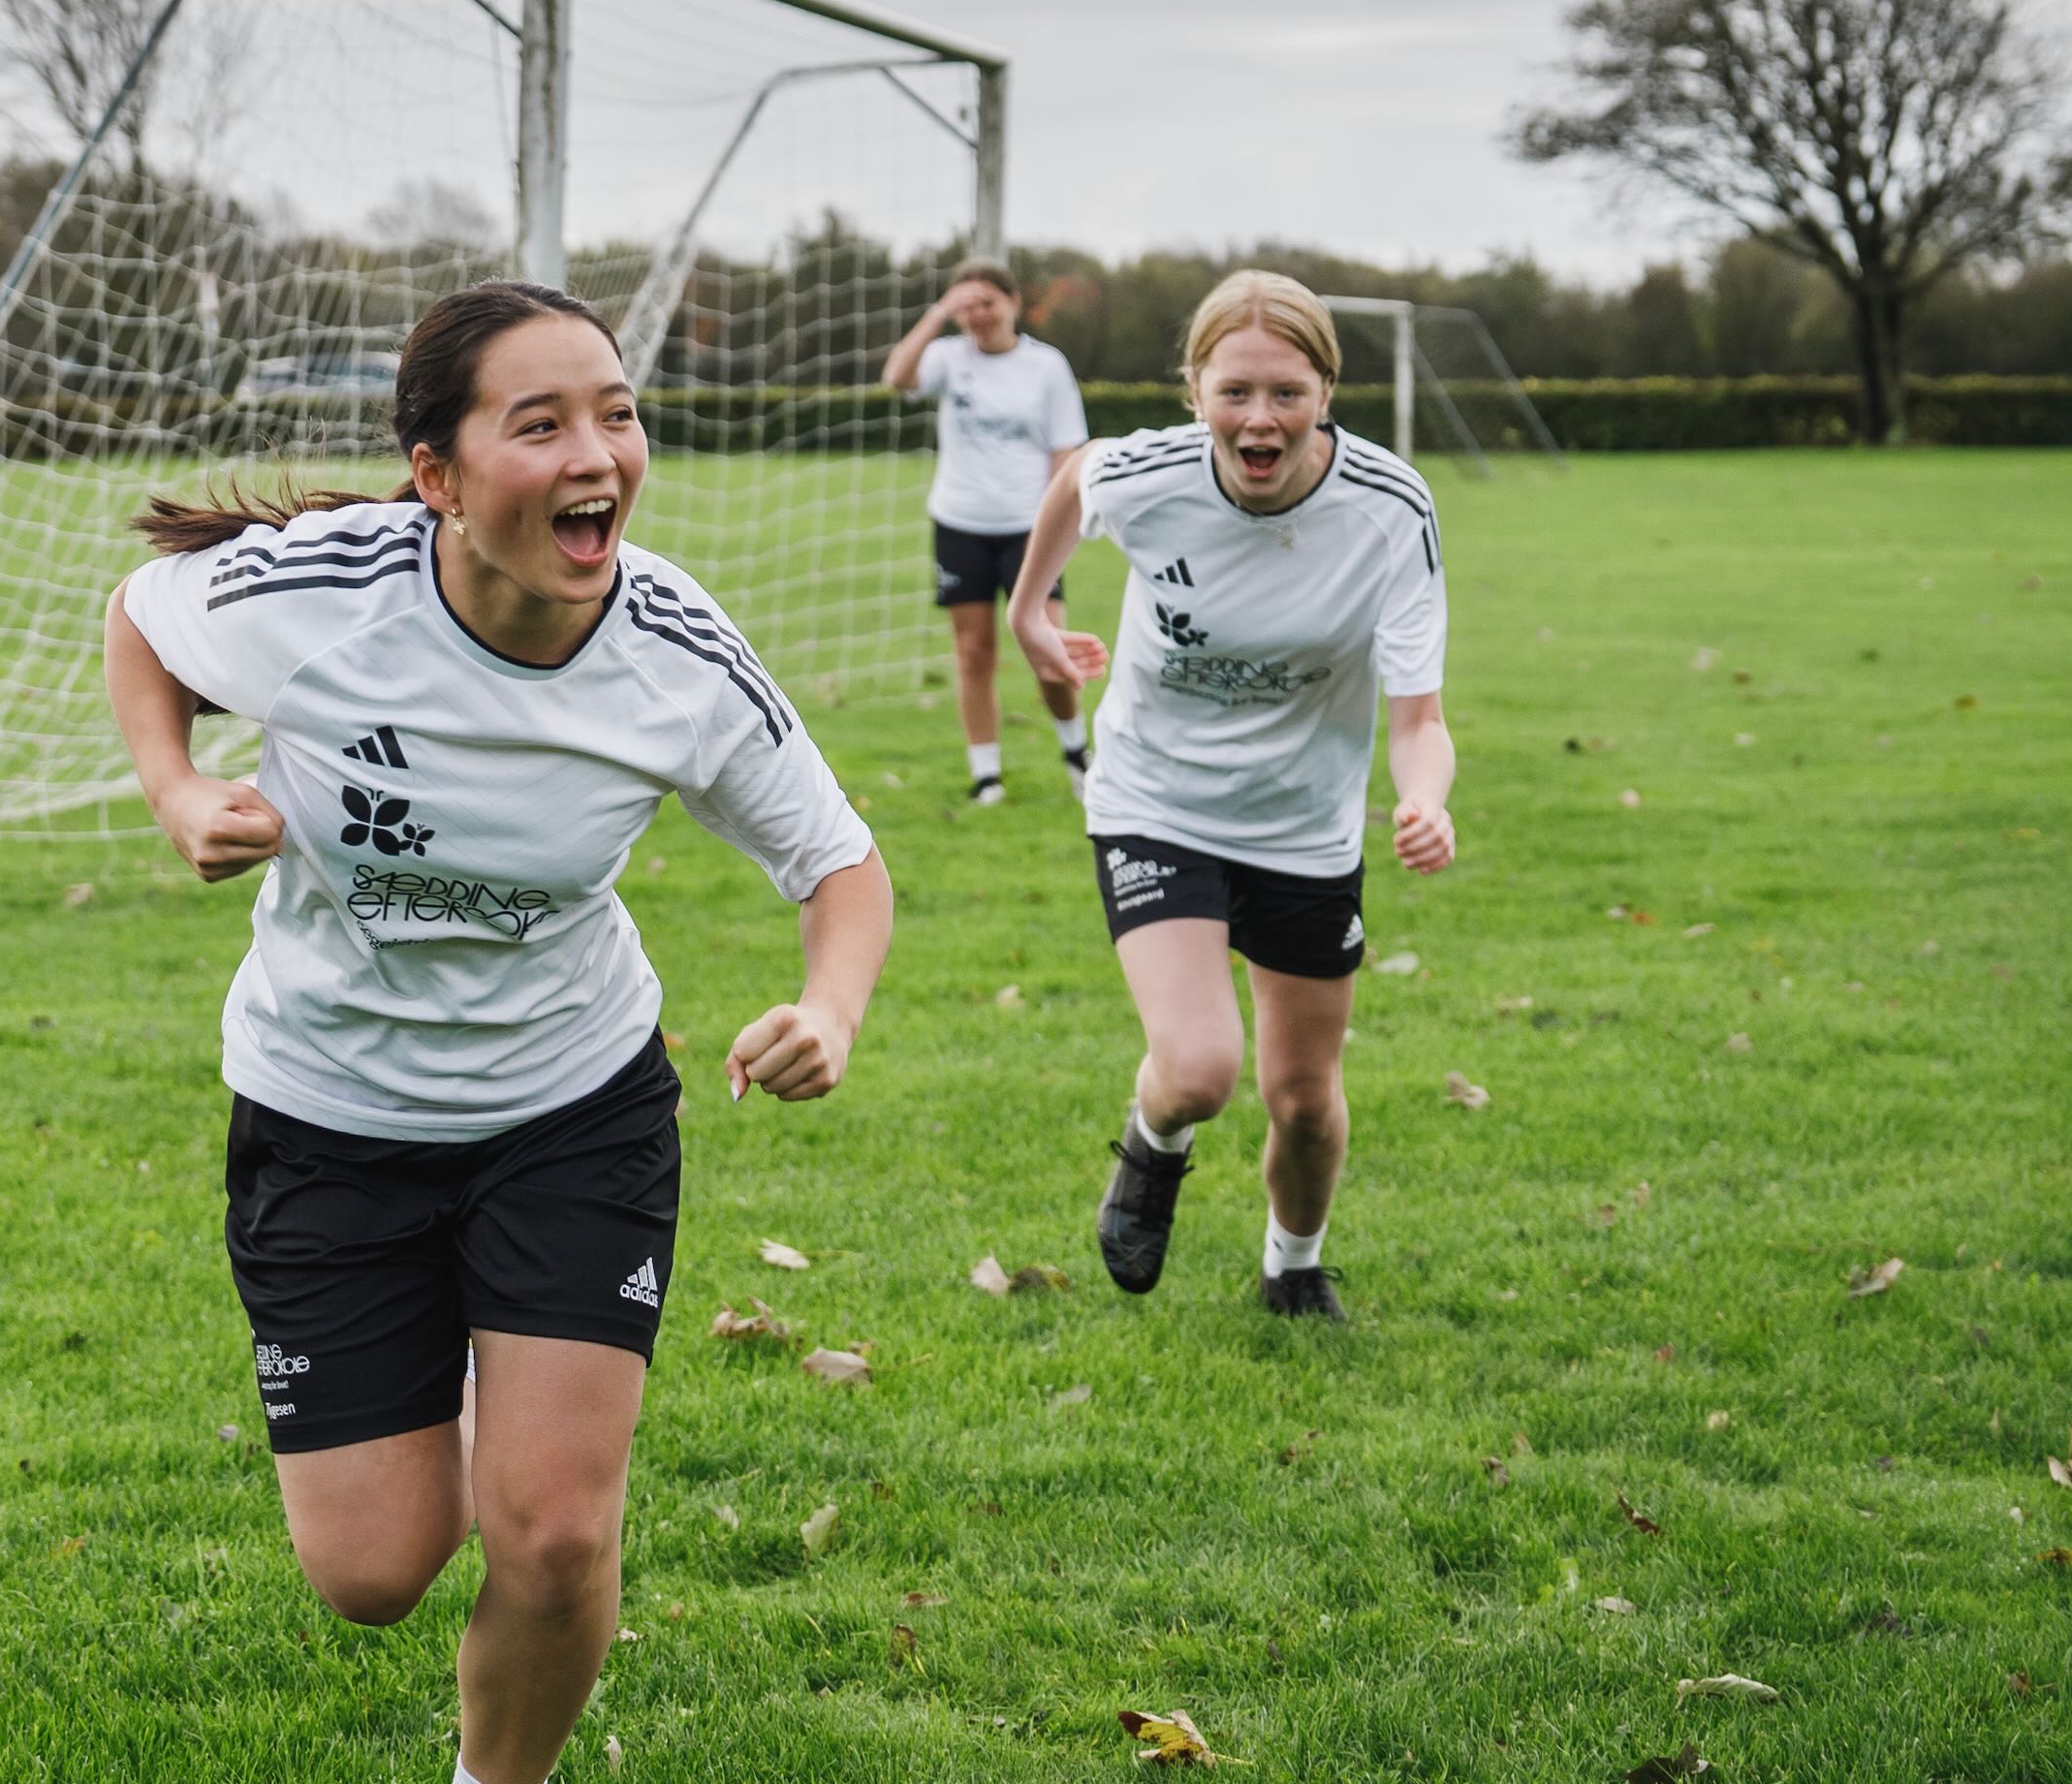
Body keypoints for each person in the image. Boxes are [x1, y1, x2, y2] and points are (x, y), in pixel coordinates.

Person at [104, 281, 894, 1784]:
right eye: (540, 425)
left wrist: (829, 1007)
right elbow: (142, 622)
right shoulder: (317, 597)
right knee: (373, 1571)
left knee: (550, 1531)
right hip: (325, 1112)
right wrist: (179, 791)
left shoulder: (675, 650)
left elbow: (842, 866)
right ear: (438, 476)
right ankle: (481, 1378)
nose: (597, 453)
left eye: (616, 413)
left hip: (569, 1109)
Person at [1004, 269, 1455, 1321]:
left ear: (1327, 393)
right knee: (1201, 1066)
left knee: (1302, 1098)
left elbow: (1421, 719)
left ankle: (1293, 1267)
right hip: (1155, 799)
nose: (1261, 418)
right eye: (1235, 390)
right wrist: (1033, 612)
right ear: (1194, 390)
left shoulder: (1389, 510)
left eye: (1287, 394)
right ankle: (1153, 1146)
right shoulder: (1151, 475)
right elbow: (1075, 478)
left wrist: (1424, 799)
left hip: (1305, 823)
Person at [881, 258, 1093, 804]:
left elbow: (1065, 452)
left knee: (1048, 650)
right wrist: (937, 314)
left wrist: (1057, 524)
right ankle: (987, 776)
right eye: (966, 306)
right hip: (960, 523)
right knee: (973, 652)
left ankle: (1076, 754)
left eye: (986, 303)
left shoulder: (1046, 367)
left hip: (1030, 529)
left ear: (1012, 303)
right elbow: (897, 377)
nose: (976, 316)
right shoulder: (949, 359)